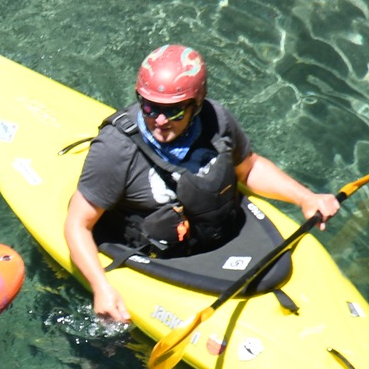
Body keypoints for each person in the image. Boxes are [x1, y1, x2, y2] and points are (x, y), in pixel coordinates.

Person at [63, 43, 340, 326]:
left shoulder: (217, 121)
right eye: (149, 107)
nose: (159, 121)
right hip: (158, 259)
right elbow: (78, 224)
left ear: (197, 103)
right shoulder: (114, 150)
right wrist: (101, 287)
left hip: (218, 238)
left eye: (173, 111)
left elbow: (249, 168)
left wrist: (305, 198)